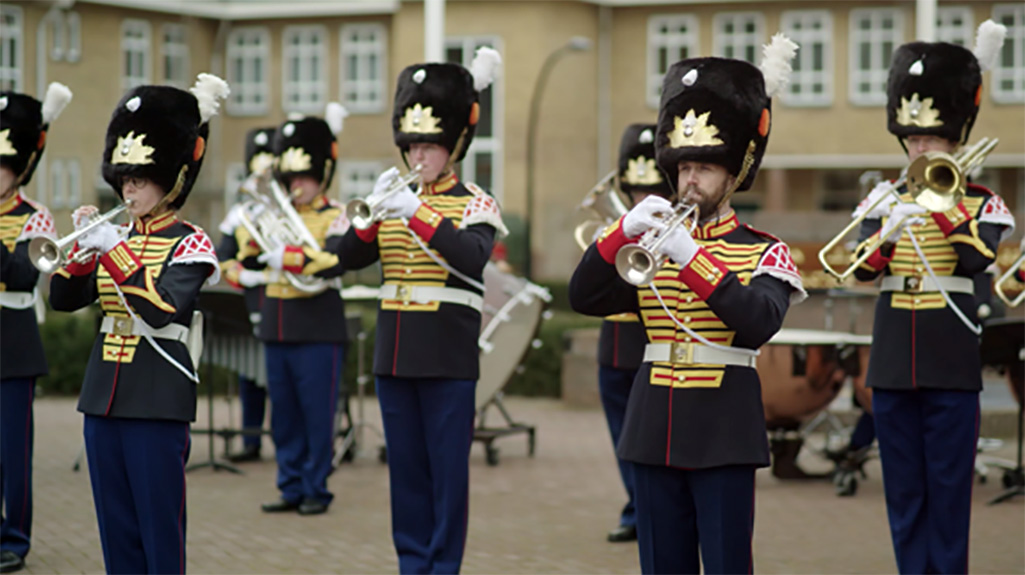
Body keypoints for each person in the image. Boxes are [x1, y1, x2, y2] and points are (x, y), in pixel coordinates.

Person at [570, 36, 805, 574]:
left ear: (734, 172)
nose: (689, 180)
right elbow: (583, 296)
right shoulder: (650, 245)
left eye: (704, 167)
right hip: (654, 426)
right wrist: (617, 235)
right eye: (682, 167)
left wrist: (693, 258)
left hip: (724, 431)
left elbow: (756, 323)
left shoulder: (763, 250)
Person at [850, 20, 1014, 574]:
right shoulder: (884, 199)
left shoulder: (982, 202)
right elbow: (859, 272)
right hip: (894, 359)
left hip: (950, 356)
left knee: (948, 490)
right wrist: (887, 231)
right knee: (903, 489)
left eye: (931, 140)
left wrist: (943, 209)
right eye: (914, 139)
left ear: (954, 139)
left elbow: (977, 260)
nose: (920, 149)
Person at [49, 74, 228, 573]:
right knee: (117, 529)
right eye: (125, 178)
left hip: (157, 396)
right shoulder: (115, 237)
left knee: (158, 529)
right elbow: (63, 299)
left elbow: (161, 308)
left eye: (141, 178)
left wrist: (116, 251)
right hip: (103, 393)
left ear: (172, 177)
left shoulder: (190, 243)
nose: (130, 187)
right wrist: (84, 254)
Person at [337, 47, 504, 574]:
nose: (418, 158)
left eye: (429, 147)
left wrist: (420, 214)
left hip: (448, 356)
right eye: (411, 146)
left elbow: (473, 259)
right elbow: (344, 258)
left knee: (446, 474)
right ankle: (413, 563)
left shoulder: (476, 202)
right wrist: (370, 217)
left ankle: (443, 565)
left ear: (453, 146)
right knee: (407, 473)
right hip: (395, 356)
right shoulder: (394, 199)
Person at [253, 104, 350, 516]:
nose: (298, 185)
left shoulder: (337, 215)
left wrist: (288, 258)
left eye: (306, 177)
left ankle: (316, 487)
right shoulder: (271, 214)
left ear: (322, 174)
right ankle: (290, 484)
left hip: (318, 325)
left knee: (317, 416)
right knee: (285, 418)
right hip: (278, 323)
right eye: (292, 177)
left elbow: (335, 261)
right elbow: (244, 255)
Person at [0, 82, 71, 575]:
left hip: (12, 339)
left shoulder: (36, 217)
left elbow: (25, 274)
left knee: (12, 453)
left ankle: (15, 539)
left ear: (19, 168)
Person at [597, 123, 675, 543]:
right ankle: (636, 506)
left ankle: (646, 510)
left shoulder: (677, 229)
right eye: (634, 193)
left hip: (650, 344)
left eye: (649, 193)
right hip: (614, 345)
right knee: (621, 439)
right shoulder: (618, 225)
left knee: (648, 439)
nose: (641, 201)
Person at [217, 126, 276, 463]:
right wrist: (241, 274)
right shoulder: (239, 214)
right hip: (249, 297)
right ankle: (251, 438)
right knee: (249, 374)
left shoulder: (286, 213)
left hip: (281, 294)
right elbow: (224, 256)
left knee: (279, 377)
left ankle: (282, 442)